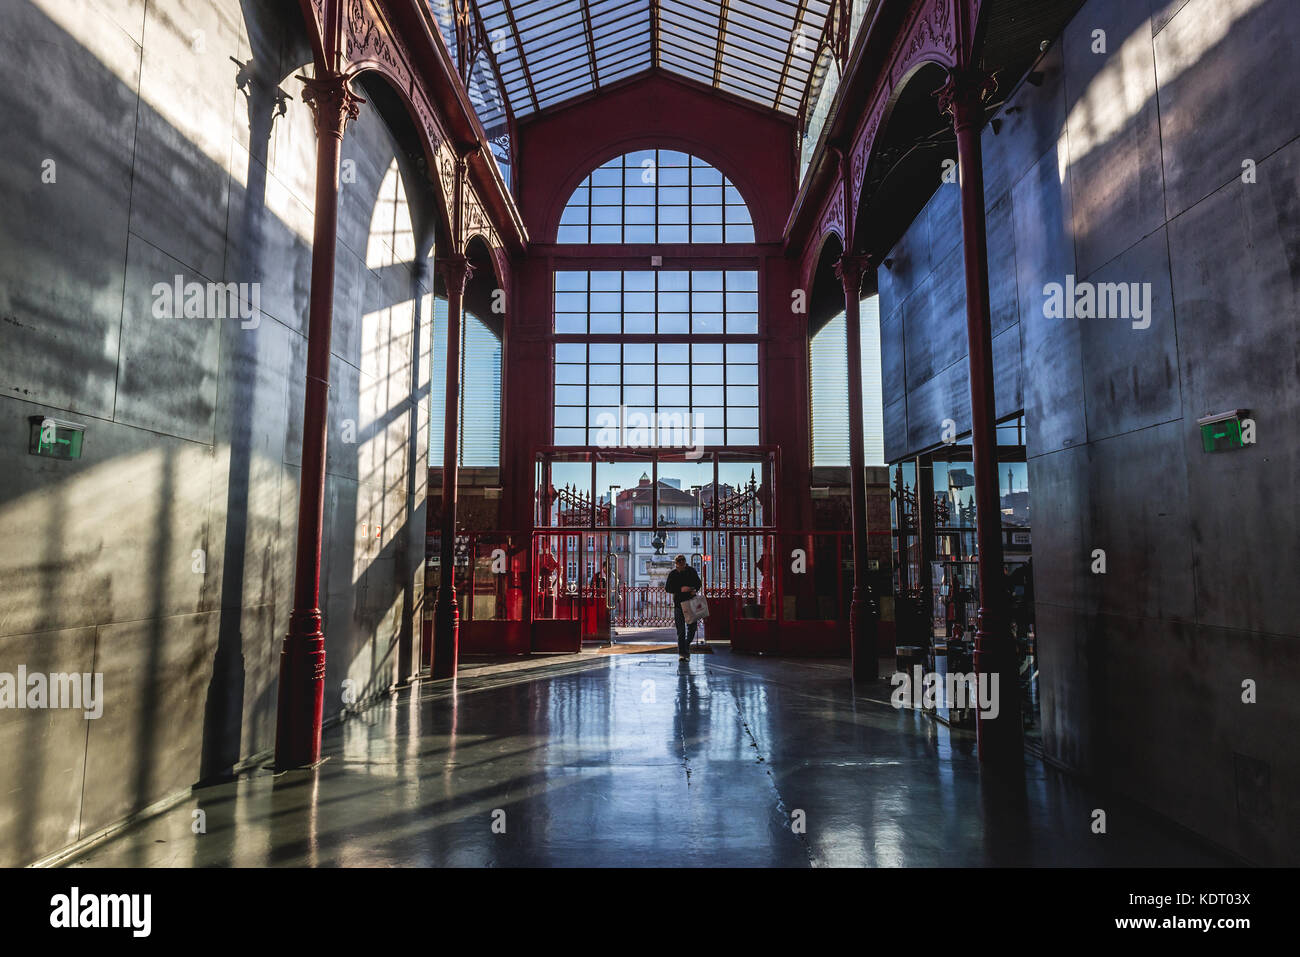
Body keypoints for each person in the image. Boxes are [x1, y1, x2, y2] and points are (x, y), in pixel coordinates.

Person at [664, 554, 703, 660]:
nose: (681, 564)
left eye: (683, 561)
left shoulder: (691, 571)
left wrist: (694, 589)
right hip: (679, 604)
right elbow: (667, 588)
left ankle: (685, 646)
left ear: (685, 562)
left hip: (691, 603)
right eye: (679, 562)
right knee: (681, 630)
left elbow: (698, 583)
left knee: (692, 628)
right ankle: (683, 654)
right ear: (676, 563)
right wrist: (680, 589)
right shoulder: (673, 574)